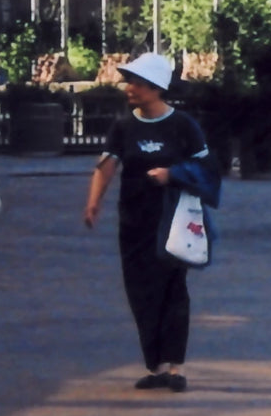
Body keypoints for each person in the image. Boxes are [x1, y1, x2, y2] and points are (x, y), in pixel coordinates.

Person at [83, 52, 212, 394]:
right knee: (141, 292)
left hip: (174, 221)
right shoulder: (124, 126)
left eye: (138, 83)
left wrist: (173, 174)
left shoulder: (183, 125)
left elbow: (207, 170)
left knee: (173, 291)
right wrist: (94, 202)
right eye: (129, 81)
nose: (130, 88)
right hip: (134, 222)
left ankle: (176, 367)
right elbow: (107, 164)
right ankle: (154, 367)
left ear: (156, 88)